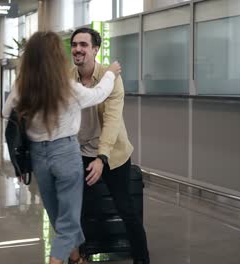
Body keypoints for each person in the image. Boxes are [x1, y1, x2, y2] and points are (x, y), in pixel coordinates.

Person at [2, 31, 121, 264]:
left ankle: (76, 259)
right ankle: (58, 260)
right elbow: (98, 95)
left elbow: (6, 113)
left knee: (58, 215)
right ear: (56, 56)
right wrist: (110, 74)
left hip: (38, 156)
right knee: (68, 220)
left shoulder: (22, 86)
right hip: (65, 153)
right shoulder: (65, 86)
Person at [70, 28, 150, 264]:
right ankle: (80, 257)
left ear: (95, 49)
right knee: (80, 211)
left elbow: (113, 121)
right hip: (81, 153)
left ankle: (142, 258)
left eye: (84, 45)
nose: (77, 49)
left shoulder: (111, 76)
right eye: (74, 44)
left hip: (113, 155)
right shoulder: (67, 78)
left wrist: (101, 158)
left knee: (126, 209)